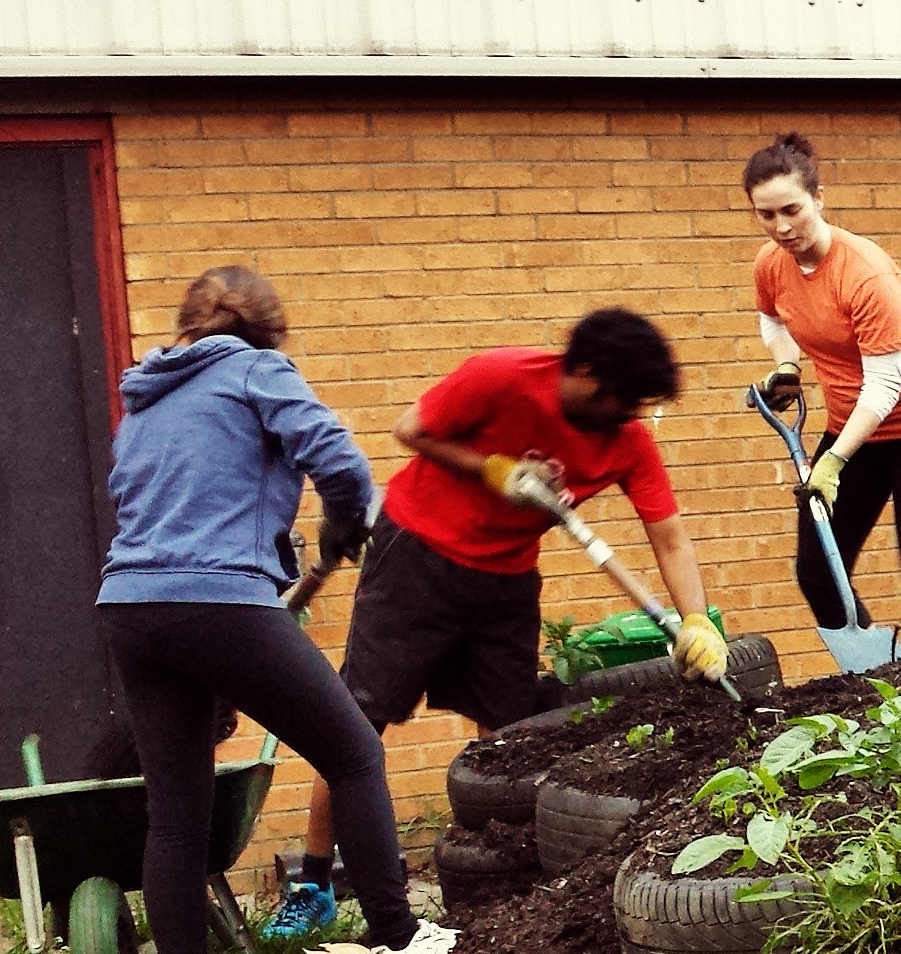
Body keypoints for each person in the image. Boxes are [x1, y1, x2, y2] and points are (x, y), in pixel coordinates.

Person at [101, 268, 458, 954]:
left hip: (130, 605)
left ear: (186, 329)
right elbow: (338, 457)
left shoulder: (143, 406)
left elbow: (163, 510)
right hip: (220, 600)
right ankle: (399, 943)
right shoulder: (257, 370)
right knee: (352, 752)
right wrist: (340, 522)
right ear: (264, 332)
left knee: (178, 811)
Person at [295, 309, 723, 919]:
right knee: (354, 720)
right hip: (415, 558)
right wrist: (493, 469)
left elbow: (670, 537)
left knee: (509, 736)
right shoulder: (501, 376)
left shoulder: (627, 440)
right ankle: (312, 884)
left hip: (505, 582)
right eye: (620, 401)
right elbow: (410, 430)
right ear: (582, 371)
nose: (627, 418)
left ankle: (494, 886)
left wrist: (697, 621)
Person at [746, 132, 901, 641]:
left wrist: (832, 461)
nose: (782, 227)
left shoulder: (865, 273)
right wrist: (787, 367)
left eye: (792, 209)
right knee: (819, 573)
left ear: (819, 199)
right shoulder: (770, 264)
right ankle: (876, 679)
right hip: (853, 429)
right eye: (767, 215)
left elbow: (884, 385)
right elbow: (774, 321)